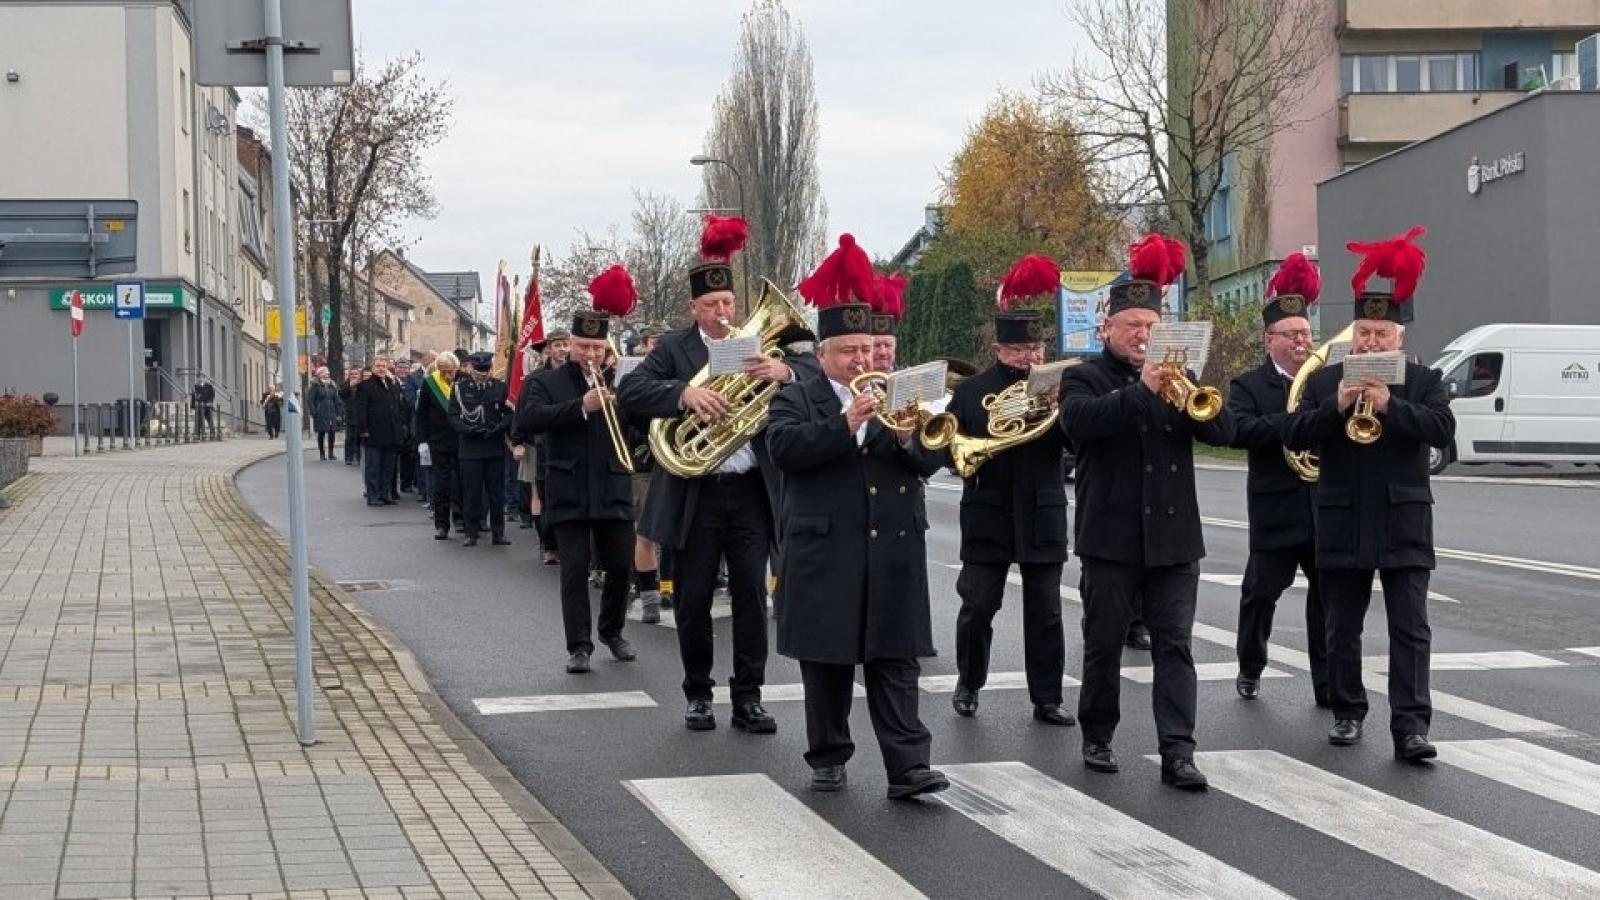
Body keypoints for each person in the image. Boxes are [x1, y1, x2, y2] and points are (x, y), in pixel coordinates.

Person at [767, 255, 948, 800]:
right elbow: (784, 450)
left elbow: (928, 461)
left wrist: (910, 435)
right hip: (827, 546)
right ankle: (828, 755)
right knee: (827, 660)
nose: (861, 359)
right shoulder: (797, 395)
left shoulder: (902, 393)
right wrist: (844, 423)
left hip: (892, 544)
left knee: (897, 658)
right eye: (849, 351)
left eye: (867, 350)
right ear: (823, 355)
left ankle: (909, 767)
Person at [1060, 234, 1235, 791]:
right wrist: (1143, 388)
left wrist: (1188, 394)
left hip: (1174, 538)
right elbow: (1080, 426)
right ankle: (1098, 734)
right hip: (1109, 536)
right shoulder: (1083, 378)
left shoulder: (1181, 378)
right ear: (1107, 328)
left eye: (1151, 326)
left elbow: (1223, 431)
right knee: (1104, 642)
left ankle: (1178, 750)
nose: (1142, 335)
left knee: (1176, 646)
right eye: (1132, 325)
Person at [617, 215, 799, 734]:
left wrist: (783, 373)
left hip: (748, 493)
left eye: (728, 304)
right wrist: (683, 394)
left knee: (750, 596)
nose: (722, 313)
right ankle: (698, 694)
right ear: (693, 308)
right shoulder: (674, 348)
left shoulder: (760, 342)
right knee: (693, 598)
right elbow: (632, 392)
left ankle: (749, 696)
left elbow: (807, 382)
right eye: (711, 306)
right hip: (695, 492)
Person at [1283, 226, 1455, 763]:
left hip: (1403, 519)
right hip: (1340, 516)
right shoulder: (1322, 380)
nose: (1372, 343)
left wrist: (1389, 405)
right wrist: (1336, 405)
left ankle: (1411, 727)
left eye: (1382, 334)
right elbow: (1292, 435)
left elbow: (1441, 430)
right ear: (1353, 333)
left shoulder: (1424, 380)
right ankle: (1347, 711)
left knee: (1411, 629)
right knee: (1342, 626)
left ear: (1399, 338)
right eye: (1365, 333)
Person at [946, 254, 1073, 728]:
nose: (1031, 359)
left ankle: (1047, 697)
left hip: (1042, 510)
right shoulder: (972, 391)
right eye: (1020, 352)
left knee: (1045, 613)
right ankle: (968, 681)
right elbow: (952, 444)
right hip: (988, 510)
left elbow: (1076, 445)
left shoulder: (1060, 386)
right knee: (978, 606)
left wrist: (1064, 408)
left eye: (1036, 350)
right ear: (1000, 349)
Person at [516, 270, 640, 672]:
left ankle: (612, 630)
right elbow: (528, 420)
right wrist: (579, 407)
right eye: (583, 346)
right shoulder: (545, 381)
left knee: (621, 566)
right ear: (569, 346)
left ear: (607, 350)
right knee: (573, 571)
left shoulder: (623, 383)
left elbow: (638, 424)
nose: (590, 354)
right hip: (568, 487)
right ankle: (579, 646)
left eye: (597, 348)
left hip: (612, 483)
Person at [1227, 252, 1329, 707]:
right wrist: (1295, 424)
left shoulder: (1326, 382)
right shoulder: (1248, 386)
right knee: (1259, 596)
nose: (1301, 343)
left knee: (1326, 602)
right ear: (1270, 340)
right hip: (1275, 510)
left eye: (1306, 333)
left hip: (1323, 507)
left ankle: (1327, 684)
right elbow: (1240, 431)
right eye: (1291, 335)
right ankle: (1251, 666)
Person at [626, 323, 668, 623]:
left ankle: (668, 586)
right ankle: (648, 594)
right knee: (646, 531)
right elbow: (628, 417)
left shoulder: (678, 371)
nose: (660, 345)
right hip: (645, 462)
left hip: (676, 463)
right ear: (644, 345)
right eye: (656, 341)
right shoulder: (635, 376)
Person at [451, 352, 513, 547]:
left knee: (496, 492)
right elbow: (452, 415)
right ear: (471, 368)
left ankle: (498, 533)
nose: (482, 375)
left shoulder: (500, 387)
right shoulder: (460, 388)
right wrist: (467, 429)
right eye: (478, 371)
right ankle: (471, 532)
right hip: (470, 448)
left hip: (493, 445)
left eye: (485, 371)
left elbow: (510, 413)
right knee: (471, 492)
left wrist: (500, 427)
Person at [532, 329, 571, 564]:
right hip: (546, 444)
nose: (562, 350)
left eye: (566, 344)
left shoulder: (577, 374)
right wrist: (518, 441)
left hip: (571, 443)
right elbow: (528, 412)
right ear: (550, 348)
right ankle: (549, 545)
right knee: (548, 497)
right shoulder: (539, 377)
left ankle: (567, 545)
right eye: (557, 345)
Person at [415, 352, 461, 540]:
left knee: (460, 483)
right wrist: (422, 441)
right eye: (445, 372)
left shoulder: (461, 381)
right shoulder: (430, 383)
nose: (449, 376)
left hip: (460, 440)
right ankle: (442, 524)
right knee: (441, 484)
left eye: (452, 372)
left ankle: (460, 520)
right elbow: (421, 414)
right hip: (438, 440)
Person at [351, 357, 407, 506]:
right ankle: (373, 495)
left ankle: (385, 493)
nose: (381, 368)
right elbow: (360, 410)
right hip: (373, 433)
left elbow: (397, 406)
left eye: (384, 366)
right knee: (373, 467)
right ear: (373, 368)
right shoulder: (365, 386)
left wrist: (400, 426)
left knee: (388, 466)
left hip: (391, 432)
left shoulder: (391, 384)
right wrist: (363, 429)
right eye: (378, 366)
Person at [308, 367, 342, 460]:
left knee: (332, 433)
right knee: (321, 433)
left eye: (328, 373)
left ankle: (331, 453)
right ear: (320, 374)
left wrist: (338, 413)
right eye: (326, 373)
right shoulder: (315, 385)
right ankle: (322, 453)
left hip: (331, 413)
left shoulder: (332, 385)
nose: (328, 374)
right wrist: (314, 412)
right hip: (320, 413)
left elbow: (337, 400)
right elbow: (311, 400)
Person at [340, 369, 363, 465]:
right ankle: (348, 457)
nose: (354, 376)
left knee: (358, 437)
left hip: (360, 415)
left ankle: (358, 457)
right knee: (349, 437)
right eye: (352, 374)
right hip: (350, 415)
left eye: (356, 374)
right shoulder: (346, 385)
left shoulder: (362, 385)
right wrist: (350, 385)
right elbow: (342, 393)